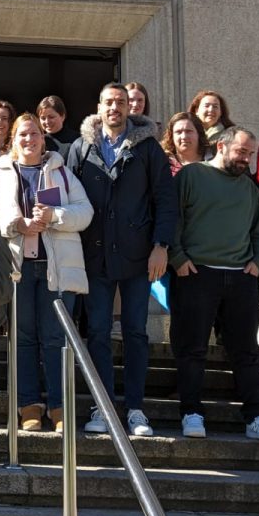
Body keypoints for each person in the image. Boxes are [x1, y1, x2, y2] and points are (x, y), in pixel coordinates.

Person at [67, 83, 176, 438]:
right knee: (97, 331)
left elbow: (164, 199)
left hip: (137, 256)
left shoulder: (148, 148)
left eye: (121, 102)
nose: (114, 107)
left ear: (130, 107)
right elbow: (67, 197)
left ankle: (135, 408)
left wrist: (161, 245)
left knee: (135, 332)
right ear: (98, 107)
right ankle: (102, 405)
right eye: (108, 102)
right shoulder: (81, 147)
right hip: (94, 256)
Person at [169, 126, 259, 442]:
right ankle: (191, 412)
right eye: (241, 152)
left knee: (247, 351)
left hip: (240, 278)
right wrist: (177, 258)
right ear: (222, 146)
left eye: (250, 153)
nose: (246, 159)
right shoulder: (191, 176)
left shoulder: (249, 189)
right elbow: (172, 218)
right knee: (192, 348)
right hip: (196, 274)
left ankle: (257, 416)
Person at [0, 114, 93, 432]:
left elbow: (85, 212)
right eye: (22, 135)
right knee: (23, 339)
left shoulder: (61, 172)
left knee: (56, 339)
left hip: (55, 269)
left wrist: (55, 215)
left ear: (43, 139)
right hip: (17, 269)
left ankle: (59, 407)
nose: (28, 140)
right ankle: (29, 406)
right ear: (13, 141)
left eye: (33, 134)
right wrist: (16, 224)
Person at [160, 111, 209, 176]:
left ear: (199, 134)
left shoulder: (213, 161)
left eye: (188, 131)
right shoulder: (162, 163)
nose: (184, 137)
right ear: (171, 136)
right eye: (178, 132)